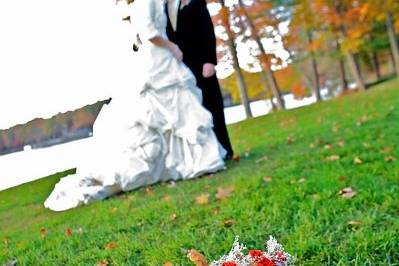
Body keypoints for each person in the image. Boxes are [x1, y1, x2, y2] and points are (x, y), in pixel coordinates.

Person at [44, 0, 226, 211]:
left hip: (160, 58)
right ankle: (187, 162)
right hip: (160, 56)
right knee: (166, 111)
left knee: (176, 110)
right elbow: (149, 31)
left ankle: (185, 162)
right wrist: (172, 47)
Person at [165, 0, 234, 159]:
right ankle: (208, 154)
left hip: (202, 63)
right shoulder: (169, 8)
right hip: (182, 68)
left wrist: (209, 61)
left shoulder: (196, 3)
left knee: (213, 106)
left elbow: (208, 31)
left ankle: (226, 149)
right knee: (196, 110)